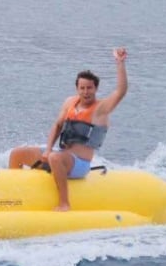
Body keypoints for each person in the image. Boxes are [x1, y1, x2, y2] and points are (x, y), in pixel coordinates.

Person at [9, 48, 128, 211]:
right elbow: (57, 126)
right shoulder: (70, 103)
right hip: (59, 154)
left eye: (89, 88)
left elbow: (121, 91)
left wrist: (120, 63)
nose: (86, 92)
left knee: (56, 158)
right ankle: (13, 196)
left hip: (79, 164)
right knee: (17, 154)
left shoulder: (101, 109)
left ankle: (64, 203)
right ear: (77, 88)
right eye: (82, 88)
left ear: (96, 89)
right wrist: (48, 149)